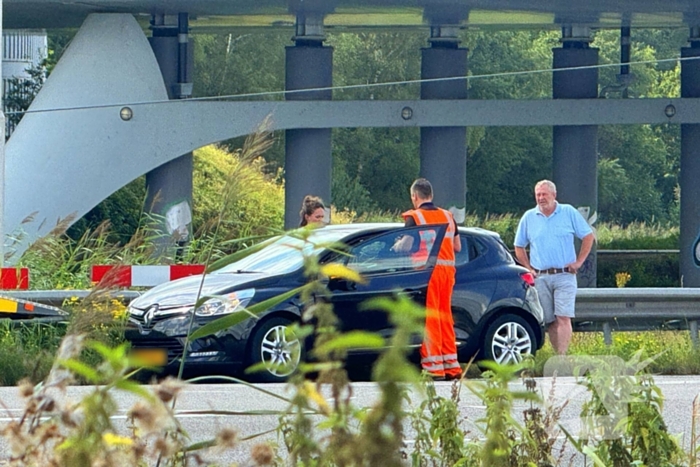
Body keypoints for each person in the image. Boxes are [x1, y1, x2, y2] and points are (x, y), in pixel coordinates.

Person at [514, 180, 595, 355]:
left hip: (565, 274)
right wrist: (528, 268)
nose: (541, 198)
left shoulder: (568, 212)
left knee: (563, 316)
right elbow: (519, 246)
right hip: (541, 276)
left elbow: (588, 236)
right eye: (538, 195)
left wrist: (579, 262)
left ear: (554, 195)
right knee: (550, 320)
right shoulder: (529, 217)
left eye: (544, 194)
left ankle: (562, 357)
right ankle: (556, 355)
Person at [392, 178, 462, 380]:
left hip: (427, 273)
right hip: (448, 273)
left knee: (430, 319)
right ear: (431, 195)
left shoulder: (414, 217)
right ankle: (452, 366)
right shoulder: (448, 216)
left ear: (415, 196)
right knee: (445, 318)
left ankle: (434, 369)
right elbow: (457, 247)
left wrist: (396, 245)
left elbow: (405, 246)